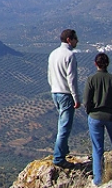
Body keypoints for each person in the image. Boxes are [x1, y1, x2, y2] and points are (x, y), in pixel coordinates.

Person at [84, 53, 112, 186]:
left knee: (97, 148)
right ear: (107, 63)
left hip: (95, 117)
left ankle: (97, 180)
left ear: (95, 64)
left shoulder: (91, 79)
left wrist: (91, 112)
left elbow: (86, 101)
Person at [47, 29, 80, 168]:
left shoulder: (53, 54)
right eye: (75, 39)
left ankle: (63, 150)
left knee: (62, 123)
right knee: (64, 127)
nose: (76, 41)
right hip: (66, 94)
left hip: (55, 92)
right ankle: (59, 158)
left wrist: (54, 88)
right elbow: (71, 79)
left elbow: (49, 75)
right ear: (69, 40)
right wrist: (76, 97)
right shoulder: (70, 55)